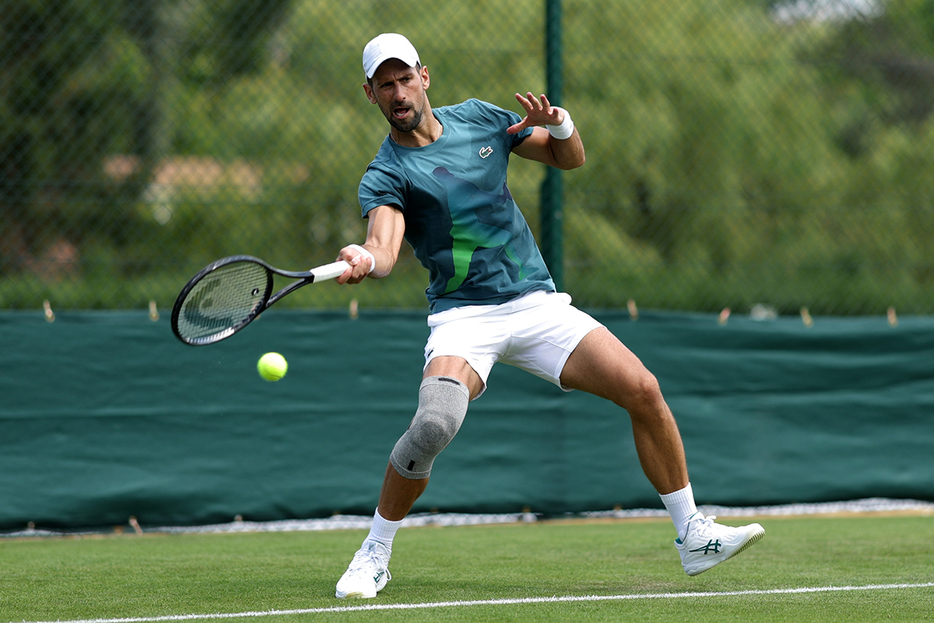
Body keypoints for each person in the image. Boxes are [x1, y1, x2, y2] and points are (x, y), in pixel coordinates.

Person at [331, 33, 764, 599]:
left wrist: (560, 123)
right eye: (384, 85)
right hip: (465, 318)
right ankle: (375, 553)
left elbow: (569, 157)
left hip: (536, 302)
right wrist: (364, 256)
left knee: (643, 388)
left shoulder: (483, 120)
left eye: (404, 78)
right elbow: (385, 249)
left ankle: (692, 535)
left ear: (425, 76)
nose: (398, 92)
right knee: (434, 424)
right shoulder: (386, 172)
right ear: (370, 94)